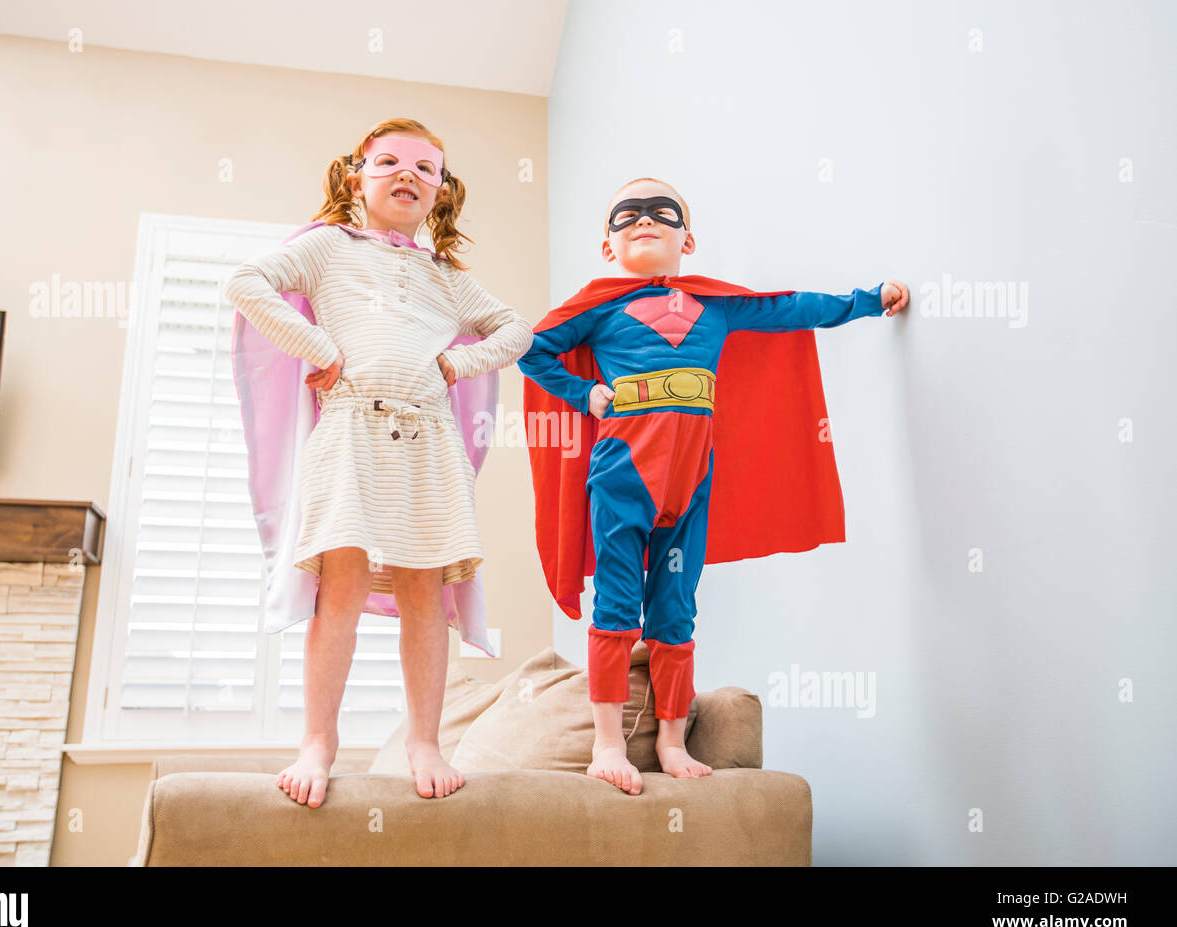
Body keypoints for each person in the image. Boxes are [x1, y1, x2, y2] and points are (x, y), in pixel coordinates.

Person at [519, 178, 908, 795]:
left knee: (675, 607)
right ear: (607, 246)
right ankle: (607, 743)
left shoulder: (717, 306)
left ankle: (672, 742)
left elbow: (792, 307)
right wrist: (583, 393)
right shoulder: (595, 307)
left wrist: (865, 300)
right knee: (617, 606)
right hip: (622, 471)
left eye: (660, 213)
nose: (643, 220)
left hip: (692, 475)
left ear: (687, 238)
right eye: (627, 216)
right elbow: (532, 350)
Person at [223, 118, 532, 807]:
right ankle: (319, 742)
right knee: (344, 590)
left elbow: (517, 330)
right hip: (350, 433)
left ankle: (426, 739)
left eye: (425, 168)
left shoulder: (447, 277)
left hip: (428, 441)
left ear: (440, 192)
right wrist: (322, 351)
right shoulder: (327, 248)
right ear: (356, 176)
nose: (406, 174)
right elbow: (247, 284)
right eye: (388, 161)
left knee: (425, 589)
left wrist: (457, 362)